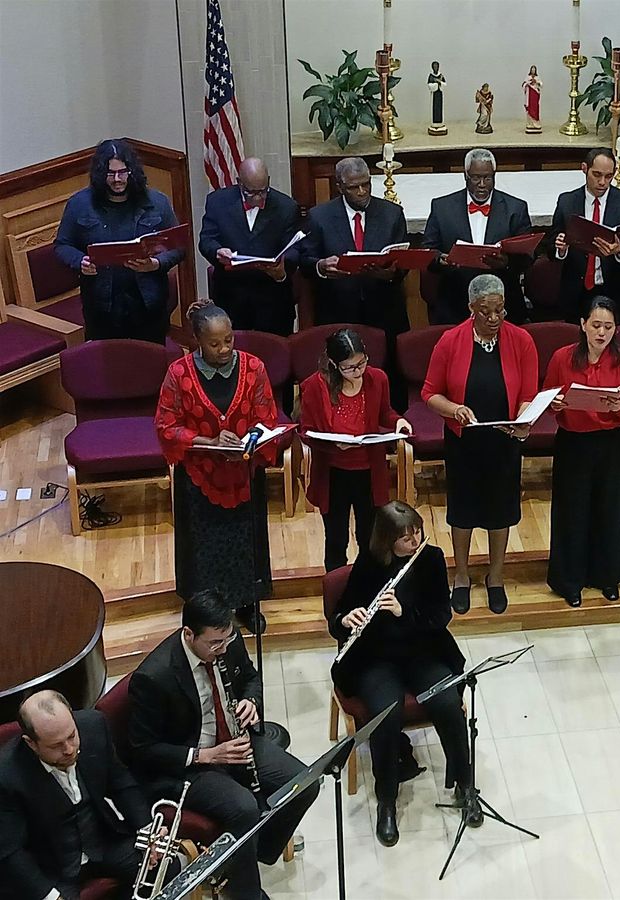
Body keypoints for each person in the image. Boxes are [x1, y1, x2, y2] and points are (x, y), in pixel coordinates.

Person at [127, 590, 319, 900]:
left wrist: (250, 701)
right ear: (188, 634)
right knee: (244, 807)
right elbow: (143, 750)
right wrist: (205, 755)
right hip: (190, 766)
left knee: (305, 783)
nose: (223, 648)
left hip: (235, 743)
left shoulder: (227, 640)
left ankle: (253, 852)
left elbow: (250, 678)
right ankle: (246, 892)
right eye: (215, 643)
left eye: (226, 640)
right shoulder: (153, 678)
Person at [328, 502, 471, 846]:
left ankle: (466, 785)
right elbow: (342, 615)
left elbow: (440, 617)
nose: (414, 541)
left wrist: (404, 612)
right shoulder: (370, 563)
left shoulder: (431, 559)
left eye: (417, 533)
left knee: (449, 704)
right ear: (386, 539)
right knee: (385, 716)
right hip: (376, 658)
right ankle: (387, 802)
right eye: (405, 537)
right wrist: (346, 619)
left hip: (422, 650)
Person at [155, 300, 278, 633]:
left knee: (245, 542)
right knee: (204, 548)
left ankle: (247, 604)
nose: (224, 349)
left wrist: (247, 444)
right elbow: (166, 425)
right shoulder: (178, 373)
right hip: (199, 478)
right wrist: (209, 443)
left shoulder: (254, 368)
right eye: (214, 343)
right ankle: (207, 614)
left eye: (229, 340)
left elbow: (267, 417)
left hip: (244, 472)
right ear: (197, 339)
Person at [421, 274, 538, 615]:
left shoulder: (522, 340)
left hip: (504, 440)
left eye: (499, 310)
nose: (493, 318)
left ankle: (496, 576)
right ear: (470, 308)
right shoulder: (450, 340)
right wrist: (454, 409)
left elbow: (528, 393)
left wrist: (523, 421)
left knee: (500, 508)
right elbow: (430, 393)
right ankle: (460, 575)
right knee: (464, 509)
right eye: (485, 311)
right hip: (463, 440)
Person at [0, 691, 161, 900]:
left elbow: (121, 783)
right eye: (56, 745)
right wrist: (50, 896)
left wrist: (147, 830)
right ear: (31, 743)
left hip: (103, 842)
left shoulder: (94, 727)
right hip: (52, 867)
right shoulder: (6, 775)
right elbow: (11, 851)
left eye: (71, 736)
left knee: (167, 865)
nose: (69, 749)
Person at [543, 296, 620, 607]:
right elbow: (548, 397)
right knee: (572, 511)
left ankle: (607, 576)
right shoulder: (562, 358)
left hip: (611, 441)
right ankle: (569, 580)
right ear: (582, 324)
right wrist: (555, 404)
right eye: (596, 325)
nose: (602, 332)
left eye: (608, 326)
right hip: (574, 442)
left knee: (610, 509)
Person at [298, 156, 411, 407]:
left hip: (384, 309)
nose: (362, 192)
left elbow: (403, 261)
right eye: (353, 187)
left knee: (389, 375)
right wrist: (321, 266)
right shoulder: (320, 217)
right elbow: (306, 260)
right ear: (339, 186)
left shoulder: (392, 214)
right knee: (341, 375)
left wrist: (391, 271)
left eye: (366, 184)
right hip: (338, 309)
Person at [299, 328, 412, 572]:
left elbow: (385, 412)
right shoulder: (314, 387)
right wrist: (332, 444)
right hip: (333, 475)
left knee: (370, 537)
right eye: (350, 368)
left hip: (368, 472)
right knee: (337, 539)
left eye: (362, 363)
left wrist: (397, 421)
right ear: (333, 364)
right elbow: (306, 431)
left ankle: (369, 588)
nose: (358, 371)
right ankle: (337, 593)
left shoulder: (378, 378)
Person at [54, 139, 184, 343]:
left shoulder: (157, 202)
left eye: (122, 172)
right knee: (109, 367)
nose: (117, 179)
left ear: (131, 171)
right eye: (110, 173)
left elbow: (178, 247)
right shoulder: (79, 204)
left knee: (150, 363)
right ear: (99, 174)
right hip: (102, 306)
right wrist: (80, 261)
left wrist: (156, 264)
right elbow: (62, 245)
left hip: (148, 303)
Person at [423, 149, 534, 325]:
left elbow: (527, 258)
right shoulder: (441, 207)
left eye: (488, 178)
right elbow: (428, 251)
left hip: (503, 306)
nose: (482, 184)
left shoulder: (515, 208)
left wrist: (506, 262)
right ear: (465, 175)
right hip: (455, 305)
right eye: (476, 178)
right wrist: (441, 260)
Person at [198, 157, 302, 337]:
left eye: (263, 191)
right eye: (250, 193)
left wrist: (282, 269)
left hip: (273, 299)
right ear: (239, 183)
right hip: (231, 296)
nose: (257, 197)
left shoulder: (287, 207)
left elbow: (296, 249)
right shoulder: (217, 202)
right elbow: (206, 240)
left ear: (268, 182)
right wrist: (217, 251)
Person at [549, 148, 620, 322]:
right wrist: (560, 249)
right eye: (597, 175)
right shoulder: (567, 202)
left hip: (613, 290)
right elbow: (550, 245)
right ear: (584, 168)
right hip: (576, 291)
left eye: (608, 176)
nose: (602, 182)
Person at [427, 61, 447, 135]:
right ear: (432, 68)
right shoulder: (431, 76)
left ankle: (440, 123)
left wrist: (440, 82)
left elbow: (444, 84)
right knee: (434, 108)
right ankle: (434, 124)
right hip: (434, 94)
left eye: (437, 66)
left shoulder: (441, 75)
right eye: (434, 67)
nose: (436, 68)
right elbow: (429, 85)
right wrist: (435, 84)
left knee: (440, 108)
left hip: (439, 93)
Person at [522, 65, 542, 133]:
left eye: (534, 70)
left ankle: (536, 124)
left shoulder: (537, 77)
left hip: (535, 94)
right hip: (529, 95)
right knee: (530, 108)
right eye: (532, 70)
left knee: (535, 108)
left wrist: (536, 81)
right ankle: (530, 124)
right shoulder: (528, 77)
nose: (533, 71)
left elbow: (541, 84)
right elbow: (524, 84)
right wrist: (529, 82)